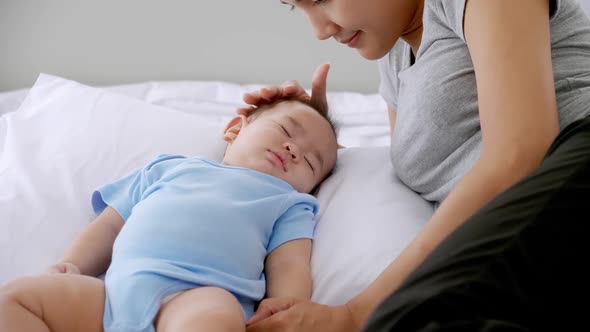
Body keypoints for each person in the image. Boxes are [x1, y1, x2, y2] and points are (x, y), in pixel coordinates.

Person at [241, 0, 590, 331]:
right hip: (541, 218)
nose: (319, 30)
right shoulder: (395, 53)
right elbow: (444, 155)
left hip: (575, 150)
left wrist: (355, 315)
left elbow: (518, 156)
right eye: (295, 8)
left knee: (410, 318)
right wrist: (309, 133)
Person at [0, 99, 338, 332]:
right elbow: (109, 225)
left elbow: (290, 263)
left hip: (200, 296)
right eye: (286, 130)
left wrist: (284, 305)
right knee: (15, 299)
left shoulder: (289, 202)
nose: (295, 149)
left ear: (310, 186)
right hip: (115, 297)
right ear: (236, 128)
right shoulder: (167, 168)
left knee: (213, 320)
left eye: (311, 161)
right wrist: (72, 265)